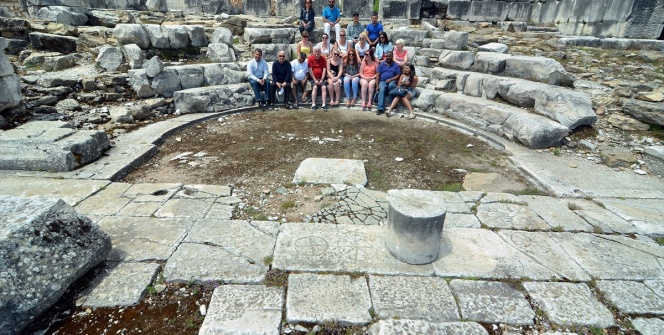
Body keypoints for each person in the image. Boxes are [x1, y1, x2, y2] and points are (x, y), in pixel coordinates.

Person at [308, 46, 328, 110]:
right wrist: (315, 80)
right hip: (313, 78)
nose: (317, 52)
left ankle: (324, 104)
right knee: (315, 87)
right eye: (316, 51)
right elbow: (310, 70)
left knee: (324, 87)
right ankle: (313, 104)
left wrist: (322, 79)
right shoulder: (310, 58)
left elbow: (324, 69)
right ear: (313, 52)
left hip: (321, 78)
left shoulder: (323, 59)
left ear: (320, 52)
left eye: (318, 51)